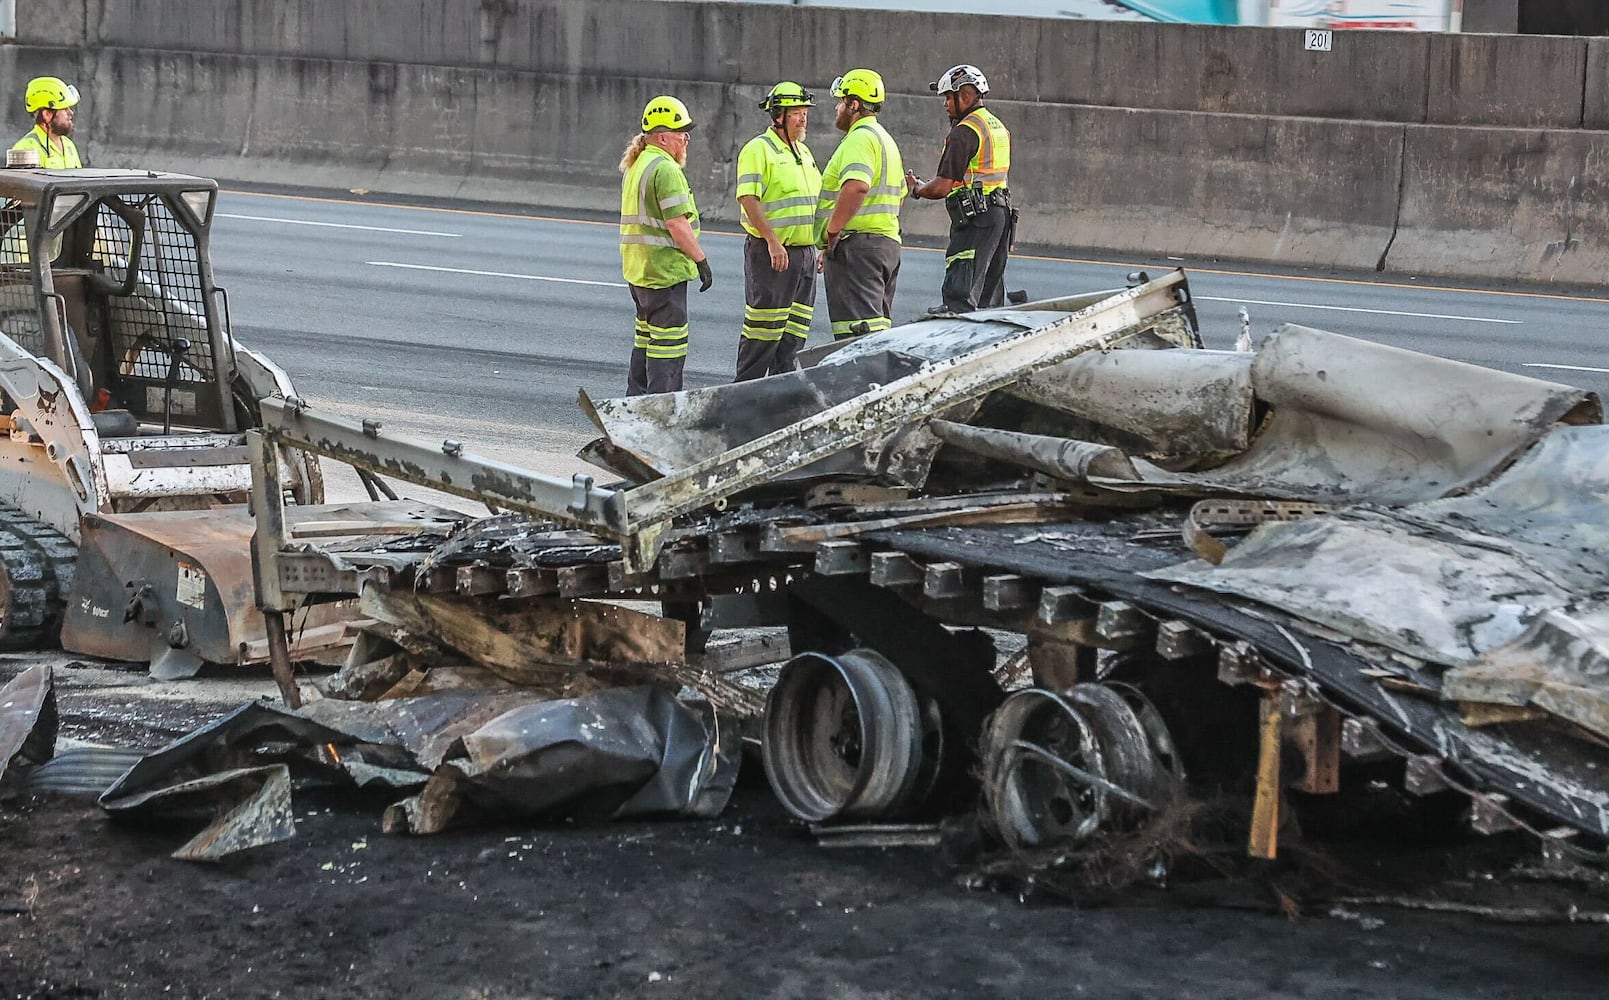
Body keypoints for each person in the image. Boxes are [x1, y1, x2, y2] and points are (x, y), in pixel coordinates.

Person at [618, 95, 712, 395]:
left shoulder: (637, 165)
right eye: (682, 132)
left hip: (640, 271)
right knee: (668, 350)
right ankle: (661, 410)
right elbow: (677, 224)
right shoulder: (666, 169)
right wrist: (701, 261)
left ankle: (635, 405)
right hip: (664, 271)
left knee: (645, 342)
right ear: (662, 136)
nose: (686, 138)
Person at [905, 64, 1013, 314]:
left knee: (961, 290)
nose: (945, 104)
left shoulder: (963, 133)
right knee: (988, 293)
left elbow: (942, 186)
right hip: (1000, 215)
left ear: (964, 95)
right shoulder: (997, 127)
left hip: (977, 217)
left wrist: (918, 188)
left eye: (948, 97)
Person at [733, 82, 821, 382]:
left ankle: (780, 396)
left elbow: (813, 203)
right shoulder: (758, 150)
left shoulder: (805, 152)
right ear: (778, 116)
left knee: (794, 337)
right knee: (762, 335)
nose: (803, 118)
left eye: (805, 112)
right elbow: (748, 198)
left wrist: (818, 247)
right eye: (796, 113)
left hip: (804, 255)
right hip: (773, 255)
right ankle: (744, 398)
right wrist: (772, 241)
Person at [814, 69, 905, 340]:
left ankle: (864, 384)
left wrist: (832, 231)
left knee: (856, 337)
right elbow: (899, 193)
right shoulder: (884, 139)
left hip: (858, 249)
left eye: (841, 101)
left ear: (854, 104)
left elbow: (857, 186)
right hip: (884, 244)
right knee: (876, 332)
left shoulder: (859, 138)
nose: (837, 107)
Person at [13, 76, 83, 169]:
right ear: (47, 115)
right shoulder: (25, 150)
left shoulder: (69, 145)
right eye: (65, 109)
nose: (71, 113)